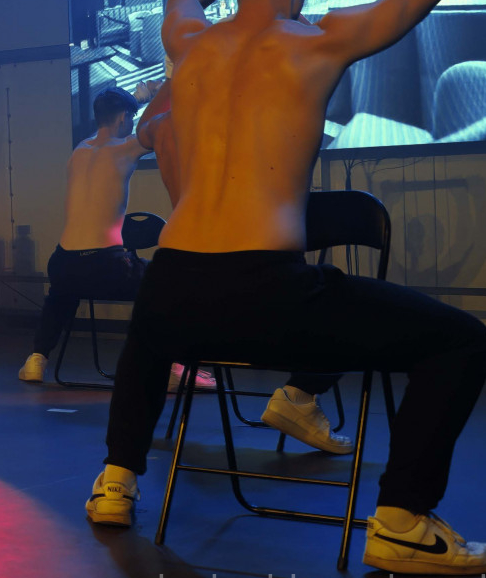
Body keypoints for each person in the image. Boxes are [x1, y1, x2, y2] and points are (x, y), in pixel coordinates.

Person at [88, 0, 486, 576]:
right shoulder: (317, 42)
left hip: (173, 287)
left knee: (150, 331)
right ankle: (402, 522)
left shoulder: (189, 42)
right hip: (266, 296)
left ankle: (115, 481)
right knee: (462, 342)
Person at [136, 82, 349, 454]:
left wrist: (174, 79)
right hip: (266, 310)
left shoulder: (167, 127)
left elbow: (143, 128)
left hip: (192, 315)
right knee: (349, 309)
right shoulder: (249, 120)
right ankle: (300, 394)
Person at [17, 83, 158, 384]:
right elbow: (156, 129)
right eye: (130, 118)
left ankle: (36, 359)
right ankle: (171, 368)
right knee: (163, 282)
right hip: (106, 267)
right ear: (124, 118)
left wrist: (135, 98)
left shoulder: (80, 150)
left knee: (61, 296)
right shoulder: (127, 147)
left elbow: (112, 125)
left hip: (63, 264)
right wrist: (155, 93)